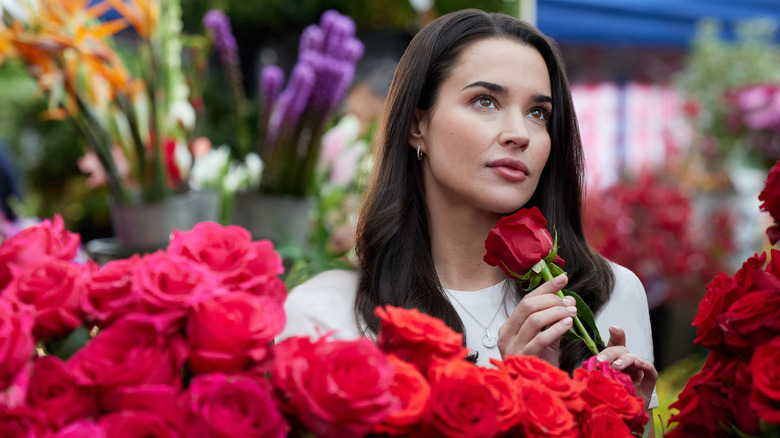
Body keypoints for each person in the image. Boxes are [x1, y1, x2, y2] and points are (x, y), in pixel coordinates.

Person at [280, 7, 658, 425]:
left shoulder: (607, 298)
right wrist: (518, 390)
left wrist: (623, 426)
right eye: (486, 101)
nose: (519, 133)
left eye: (539, 113)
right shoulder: (325, 314)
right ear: (417, 123)